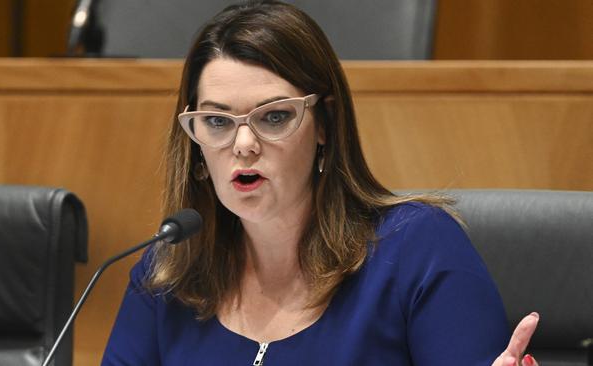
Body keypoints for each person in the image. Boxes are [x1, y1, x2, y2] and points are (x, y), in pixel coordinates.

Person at [102, 1, 539, 365]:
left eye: (274, 116)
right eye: (217, 121)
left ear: (325, 123)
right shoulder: (169, 273)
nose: (244, 144)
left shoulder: (416, 251)